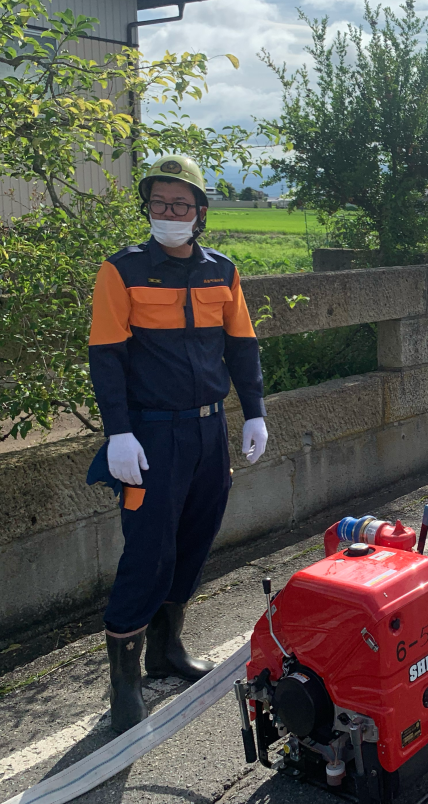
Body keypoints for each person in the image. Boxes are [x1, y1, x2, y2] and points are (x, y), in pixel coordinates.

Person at [87, 156, 269, 732]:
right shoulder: (122, 270)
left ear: (200, 214)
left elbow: (241, 346)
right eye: (161, 204)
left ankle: (167, 649)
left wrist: (254, 413)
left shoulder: (223, 271)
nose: (171, 214)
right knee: (148, 552)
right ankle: (124, 683)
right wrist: (118, 430)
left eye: (181, 205)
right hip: (151, 434)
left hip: (208, 429)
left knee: (194, 540)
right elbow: (107, 356)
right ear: (148, 209)